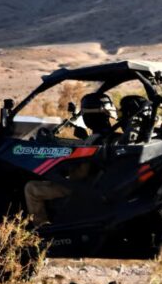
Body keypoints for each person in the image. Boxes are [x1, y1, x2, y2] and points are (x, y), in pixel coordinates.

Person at [24, 93, 117, 226]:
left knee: (31, 188)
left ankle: (41, 228)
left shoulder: (94, 140)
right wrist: (85, 139)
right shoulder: (114, 136)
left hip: (82, 186)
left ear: (88, 117)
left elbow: (80, 174)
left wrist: (64, 168)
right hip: (100, 183)